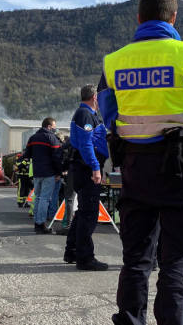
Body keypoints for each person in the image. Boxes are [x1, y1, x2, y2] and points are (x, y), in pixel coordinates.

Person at [98, 0, 183, 325]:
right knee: (175, 261)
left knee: (136, 259)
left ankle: (130, 319)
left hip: (134, 167)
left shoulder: (114, 62)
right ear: (173, 17)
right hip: (181, 168)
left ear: (139, 18)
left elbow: (108, 115)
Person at [64, 84, 110, 270]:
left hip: (83, 168)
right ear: (94, 97)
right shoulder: (85, 115)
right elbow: (86, 144)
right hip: (86, 169)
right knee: (89, 215)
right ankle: (85, 258)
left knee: (83, 213)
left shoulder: (87, 114)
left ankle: (73, 251)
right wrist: (95, 168)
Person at [24, 117, 63, 234]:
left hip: (37, 173)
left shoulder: (32, 138)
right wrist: (59, 172)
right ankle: (41, 224)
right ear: (49, 126)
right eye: (54, 127)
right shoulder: (52, 138)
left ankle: (37, 223)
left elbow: (27, 154)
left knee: (38, 198)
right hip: (49, 173)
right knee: (44, 199)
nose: (55, 130)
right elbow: (57, 158)